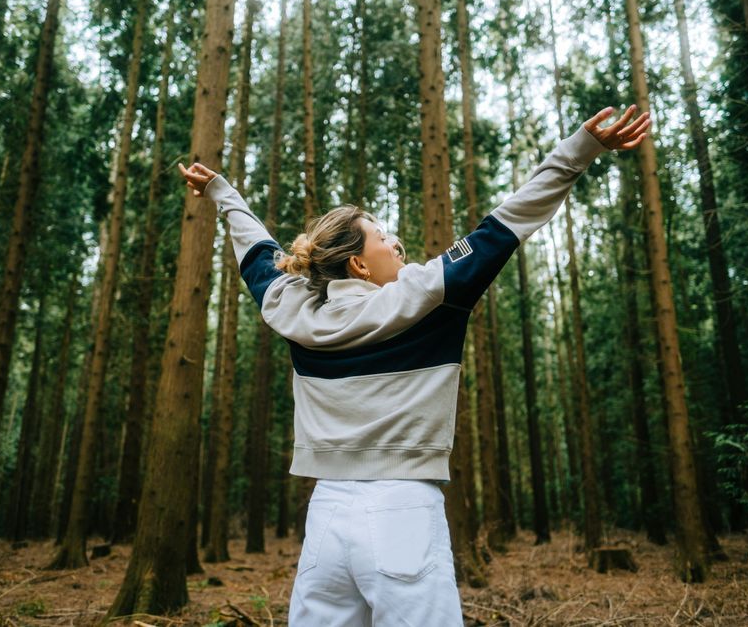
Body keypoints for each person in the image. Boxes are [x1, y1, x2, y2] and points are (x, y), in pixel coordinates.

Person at [180, 104, 650, 626]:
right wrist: (579, 150)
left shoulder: (293, 308)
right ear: (359, 262)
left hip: (326, 517)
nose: (396, 242)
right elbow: (507, 222)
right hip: (402, 510)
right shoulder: (424, 294)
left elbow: (257, 253)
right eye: (383, 237)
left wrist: (223, 193)